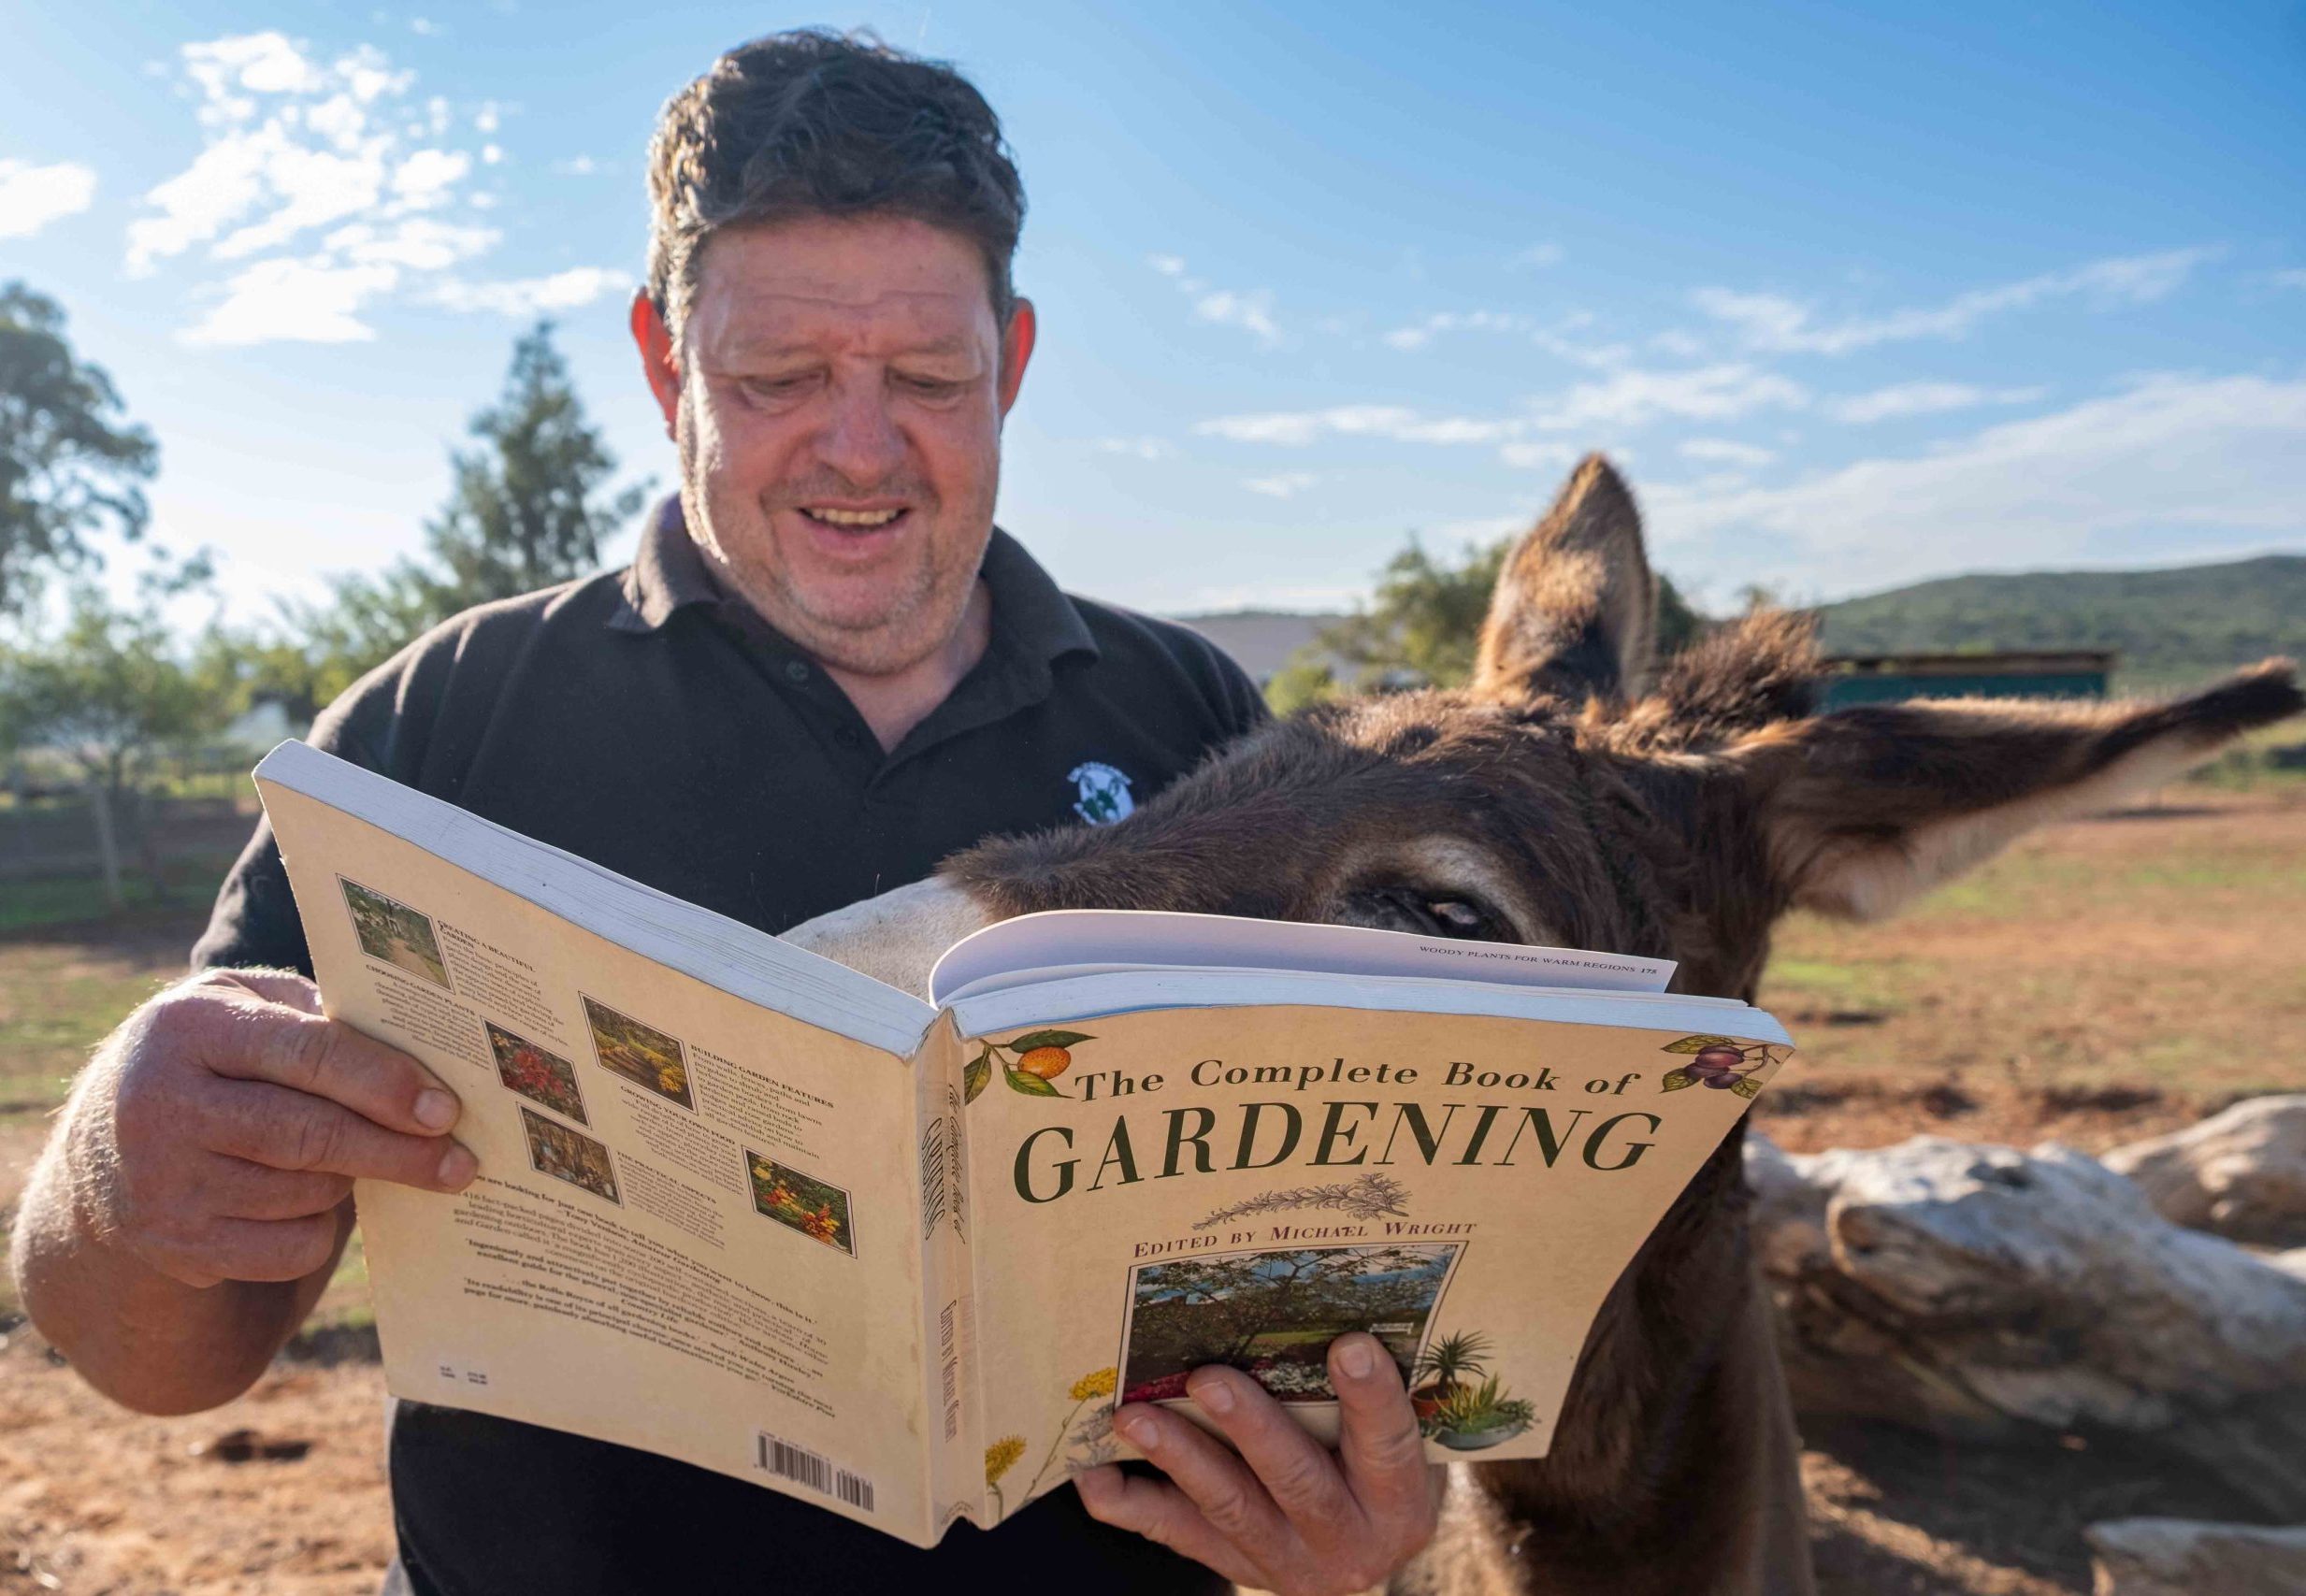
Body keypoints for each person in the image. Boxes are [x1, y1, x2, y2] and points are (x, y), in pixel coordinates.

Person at [8, 30, 1441, 1596]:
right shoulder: (441, 727)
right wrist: (112, 1163)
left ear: (1015, 363)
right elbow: (159, 1367)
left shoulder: (1199, 728)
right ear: (659, 357)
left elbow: (1347, 1286)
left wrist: (1360, 1514)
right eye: (775, 380)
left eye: (928, 379)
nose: (857, 446)